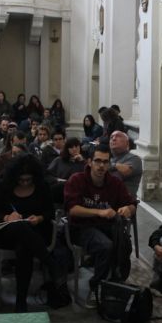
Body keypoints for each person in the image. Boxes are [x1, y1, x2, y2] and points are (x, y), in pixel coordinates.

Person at [0, 154, 70, 312]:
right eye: (21, 180)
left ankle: (21, 301)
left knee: (24, 247)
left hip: (36, 232)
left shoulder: (42, 186)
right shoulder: (4, 187)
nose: (25, 183)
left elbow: (49, 212)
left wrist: (39, 218)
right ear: (14, 178)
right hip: (7, 232)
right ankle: (50, 264)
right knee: (19, 226)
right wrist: (7, 216)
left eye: (28, 179)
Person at [64, 145, 137, 307]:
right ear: (89, 162)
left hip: (106, 226)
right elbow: (73, 209)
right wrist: (98, 212)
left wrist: (128, 209)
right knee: (105, 246)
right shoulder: (77, 179)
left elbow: (132, 205)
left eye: (105, 162)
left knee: (123, 242)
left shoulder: (115, 182)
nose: (101, 166)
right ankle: (96, 287)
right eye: (97, 161)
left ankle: (113, 280)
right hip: (81, 227)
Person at [47, 137, 85, 203]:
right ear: (67, 149)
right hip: (60, 189)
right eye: (71, 147)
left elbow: (89, 176)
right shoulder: (59, 160)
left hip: (77, 191)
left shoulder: (83, 161)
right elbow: (47, 175)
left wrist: (82, 162)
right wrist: (57, 180)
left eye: (76, 146)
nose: (74, 149)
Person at [108, 130, 143, 198]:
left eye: (118, 136)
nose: (114, 139)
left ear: (127, 143)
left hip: (124, 203)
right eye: (111, 137)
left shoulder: (134, 159)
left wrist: (110, 165)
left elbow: (118, 176)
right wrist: (116, 166)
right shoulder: (109, 159)